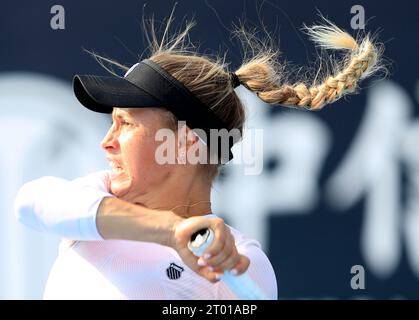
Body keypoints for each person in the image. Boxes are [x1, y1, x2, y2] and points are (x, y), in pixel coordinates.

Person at [14, 13, 382, 299]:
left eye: (125, 124)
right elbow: (30, 203)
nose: (106, 142)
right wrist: (172, 231)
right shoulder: (90, 203)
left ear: (186, 143)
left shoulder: (240, 262)